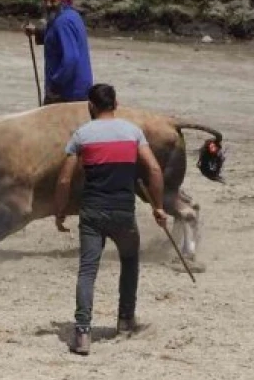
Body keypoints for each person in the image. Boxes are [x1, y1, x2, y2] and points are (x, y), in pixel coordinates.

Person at [53, 84, 168, 356]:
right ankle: (125, 321)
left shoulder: (81, 135)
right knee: (129, 262)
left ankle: (82, 333)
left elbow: (65, 178)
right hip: (123, 211)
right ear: (115, 104)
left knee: (87, 270)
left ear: (91, 106)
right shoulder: (132, 132)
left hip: (92, 212)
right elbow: (153, 168)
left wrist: (59, 211)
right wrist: (159, 206)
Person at [23, 0, 94, 105]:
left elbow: (71, 59)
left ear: (62, 1)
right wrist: (37, 32)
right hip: (78, 88)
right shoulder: (70, 16)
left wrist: (56, 84)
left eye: (53, 1)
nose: (49, 5)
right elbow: (56, 36)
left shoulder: (63, 22)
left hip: (68, 91)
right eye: (46, 1)